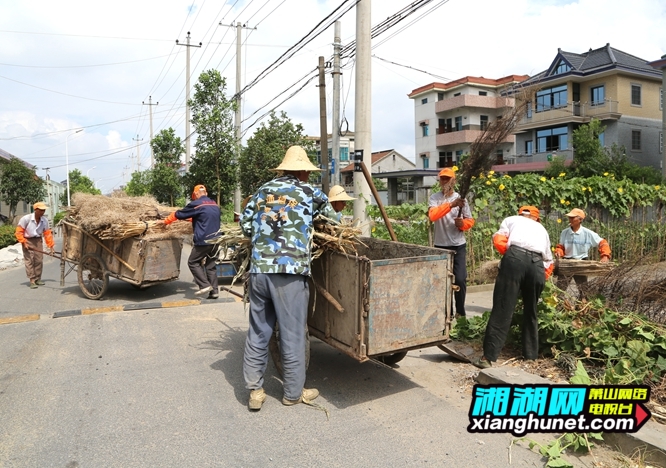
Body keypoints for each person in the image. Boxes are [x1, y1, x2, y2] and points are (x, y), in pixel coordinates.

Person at [240, 145, 339, 411]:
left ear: (283, 169)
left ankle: (255, 391)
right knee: (292, 333)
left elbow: (246, 225)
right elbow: (335, 218)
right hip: (290, 273)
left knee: (259, 330)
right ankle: (293, 393)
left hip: (260, 270)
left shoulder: (262, 191)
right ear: (304, 172)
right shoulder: (308, 192)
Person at [473, 206, 554, 369]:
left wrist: (512, 258)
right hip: (537, 265)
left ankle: (487, 358)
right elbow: (549, 262)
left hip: (515, 258)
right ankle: (530, 356)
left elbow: (499, 240)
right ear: (536, 218)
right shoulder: (542, 229)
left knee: (503, 308)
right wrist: (537, 278)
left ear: (520, 214)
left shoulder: (511, 220)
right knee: (531, 311)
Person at [428, 167, 475, 318]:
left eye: (448, 178)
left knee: (460, 279)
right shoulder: (435, 198)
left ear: (453, 181)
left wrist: (462, 224)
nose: (445, 181)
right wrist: (451, 205)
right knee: (442, 282)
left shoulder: (462, 199)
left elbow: (470, 220)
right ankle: (446, 314)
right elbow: (433, 216)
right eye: (442, 178)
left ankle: (460, 313)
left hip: (458, 245)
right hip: (440, 246)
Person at [164, 185, 221, 299]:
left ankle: (204, 285)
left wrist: (166, 221)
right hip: (217, 240)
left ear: (196, 194)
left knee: (192, 262)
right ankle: (214, 292)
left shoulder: (197, 204)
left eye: (194, 196)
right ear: (206, 193)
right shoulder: (214, 204)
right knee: (210, 266)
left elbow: (179, 214)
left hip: (204, 240)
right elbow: (204, 216)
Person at [554, 208, 611, 291]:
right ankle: (558, 304)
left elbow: (603, 243)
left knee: (583, 290)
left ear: (580, 219)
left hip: (582, 262)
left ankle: (583, 303)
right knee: (559, 289)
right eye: (569, 217)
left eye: (572, 218)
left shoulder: (588, 233)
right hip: (567, 262)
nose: (570, 219)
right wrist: (558, 252)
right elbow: (561, 247)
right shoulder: (564, 232)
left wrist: (605, 256)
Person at [15, 202, 55, 289]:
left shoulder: (44, 220)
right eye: (40, 210)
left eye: (43, 210)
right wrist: (23, 242)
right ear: (35, 210)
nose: (42, 212)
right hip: (27, 240)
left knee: (39, 260)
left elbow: (47, 234)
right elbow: (19, 232)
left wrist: (51, 246)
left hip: (38, 240)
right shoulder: (26, 219)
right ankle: (32, 280)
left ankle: (37, 278)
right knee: (29, 260)